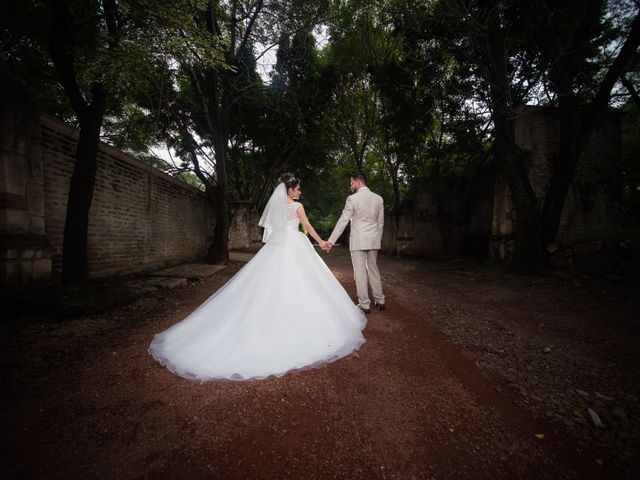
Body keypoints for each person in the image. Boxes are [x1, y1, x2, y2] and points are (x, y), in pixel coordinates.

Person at [149, 173, 366, 382]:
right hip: (295, 244)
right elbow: (307, 227)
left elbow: (272, 230)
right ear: (290, 190)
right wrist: (322, 242)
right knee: (302, 283)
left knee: (269, 283)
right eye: (298, 188)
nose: (300, 191)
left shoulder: (277, 206)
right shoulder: (297, 206)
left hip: (277, 247)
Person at [324, 172, 385, 314]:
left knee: (360, 272)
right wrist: (378, 240)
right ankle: (380, 300)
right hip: (373, 240)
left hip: (358, 240)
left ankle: (365, 304)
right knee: (374, 270)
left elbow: (343, 221)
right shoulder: (379, 199)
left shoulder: (352, 199)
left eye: (351, 183)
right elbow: (380, 223)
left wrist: (331, 241)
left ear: (358, 182)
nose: (350, 186)